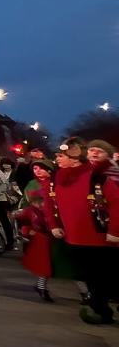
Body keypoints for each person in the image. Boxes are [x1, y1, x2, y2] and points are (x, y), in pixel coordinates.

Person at [45, 138, 119, 324]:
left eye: (61, 156)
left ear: (75, 158)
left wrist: (115, 231)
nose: (57, 159)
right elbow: (49, 203)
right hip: (74, 237)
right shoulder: (56, 178)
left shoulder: (96, 177)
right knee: (90, 276)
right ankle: (100, 309)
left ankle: (100, 307)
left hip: (99, 237)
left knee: (107, 275)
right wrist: (54, 225)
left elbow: (116, 203)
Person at [15, 184, 54, 301]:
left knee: (49, 266)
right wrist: (26, 232)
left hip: (50, 240)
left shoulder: (50, 210)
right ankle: (42, 288)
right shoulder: (29, 211)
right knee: (44, 266)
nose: (39, 204)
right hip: (39, 241)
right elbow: (21, 222)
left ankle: (40, 286)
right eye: (37, 202)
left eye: (41, 202)